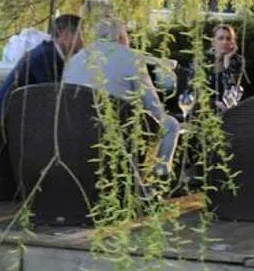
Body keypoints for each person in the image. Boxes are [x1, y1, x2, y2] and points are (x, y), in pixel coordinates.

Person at [63, 15, 181, 175]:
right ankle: (155, 181)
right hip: (116, 135)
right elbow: (153, 108)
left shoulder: (75, 59)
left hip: (75, 132)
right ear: (120, 36)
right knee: (171, 125)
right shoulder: (131, 57)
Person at [0, 14, 82, 121]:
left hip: (15, 115)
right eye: (81, 36)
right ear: (66, 35)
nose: (83, 43)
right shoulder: (47, 57)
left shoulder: (48, 52)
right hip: (9, 120)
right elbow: (53, 98)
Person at [207, 23, 248, 111]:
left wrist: (227, 62)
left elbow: (232, 92)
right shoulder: (204, 60)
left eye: (228, 39)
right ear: (213, 42)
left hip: (230, 109)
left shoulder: (237, 61)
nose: (225, 42)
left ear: (233, 43)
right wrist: (215, 104)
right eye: (221, 38)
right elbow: (196, 92)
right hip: (205, 107)